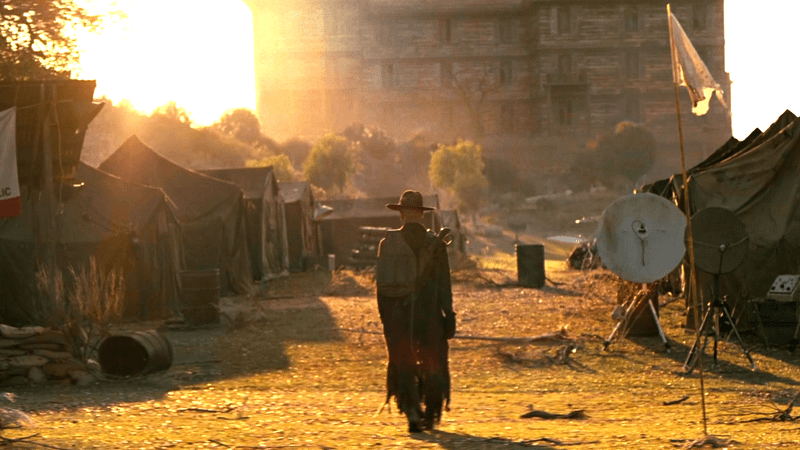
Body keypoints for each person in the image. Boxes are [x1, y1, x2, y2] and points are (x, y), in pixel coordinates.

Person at [376, 190, 456, 433]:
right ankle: (431, 414)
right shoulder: (435, 244)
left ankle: (411, 411)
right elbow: (444, 284)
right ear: (421, 215)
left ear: (401, 214)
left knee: (402, 362)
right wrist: (449, 315)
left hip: (397, 316)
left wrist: (387, 321)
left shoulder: (387, 244)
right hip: (428, 313)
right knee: (434, 363)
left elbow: (381, 288)